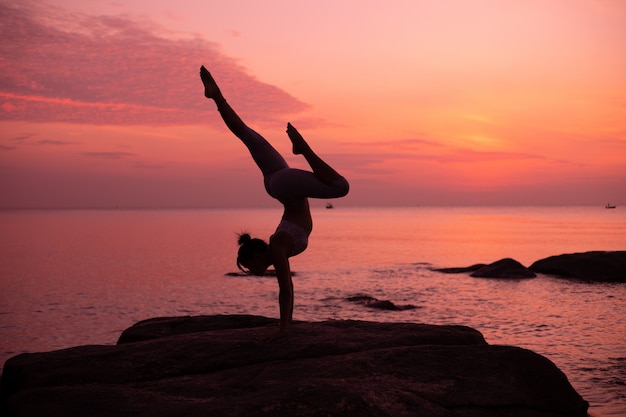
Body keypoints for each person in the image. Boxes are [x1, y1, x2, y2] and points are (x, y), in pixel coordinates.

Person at [200, 65, 349, 340]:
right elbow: (287, 290)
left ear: (258, 256)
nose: (252, 273)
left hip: (283, 185)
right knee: (246, 134)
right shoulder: (278, 244)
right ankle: (217, 97)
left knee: (341, 187)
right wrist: (286, 325)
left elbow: (286, 289)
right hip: (277, 184)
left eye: (249, 266)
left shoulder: (278, 248)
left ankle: (303, 149)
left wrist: (282, 330)